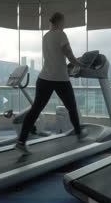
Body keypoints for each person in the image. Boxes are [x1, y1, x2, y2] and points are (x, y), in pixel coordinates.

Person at [15, 12, 86, 154]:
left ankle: (21, 141)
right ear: (60, 21)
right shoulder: (61, 34)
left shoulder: (46, 36)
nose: (64, 25)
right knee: (72, 107)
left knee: (35, 109)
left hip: (44, 78)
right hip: (60, 79)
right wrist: (80, 63)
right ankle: (79, 133)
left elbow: (55, 56)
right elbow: (69, 55)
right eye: (63, 22)